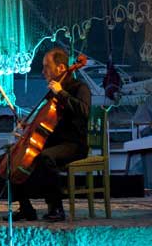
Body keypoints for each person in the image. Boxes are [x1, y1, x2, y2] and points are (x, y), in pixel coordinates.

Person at [9, 47, 91, 223]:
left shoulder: (79, 87)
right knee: (12, 155)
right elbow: (46, 121)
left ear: (61, 68)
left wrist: (61, 93)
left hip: (73, 144)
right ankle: (25, 207)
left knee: (45, 157)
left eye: (46, 66)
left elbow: (83, 111)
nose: (43, 71)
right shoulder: (52, 92)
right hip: (53, 141)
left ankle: (56, 208)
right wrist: (29, 126)